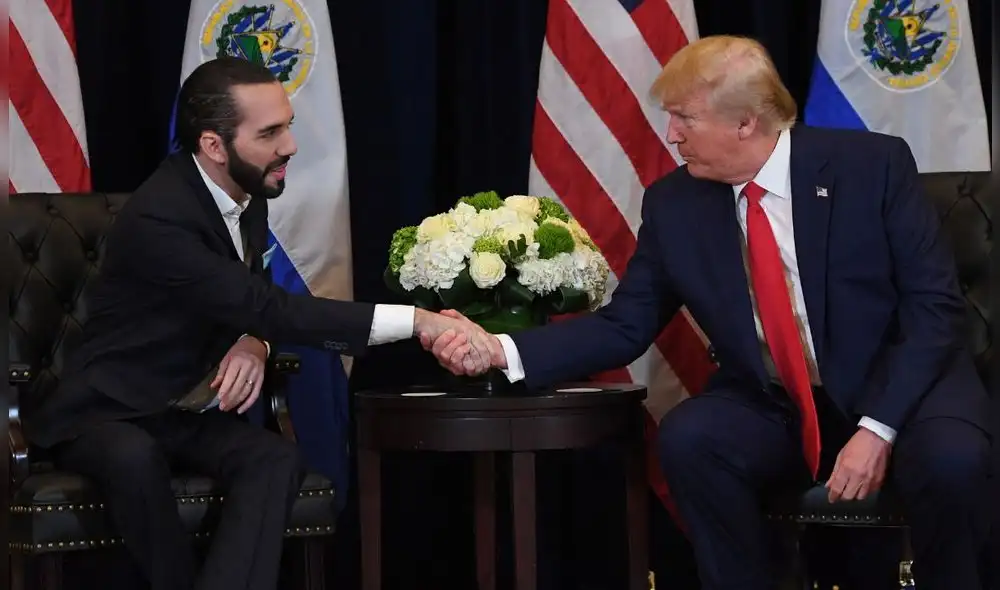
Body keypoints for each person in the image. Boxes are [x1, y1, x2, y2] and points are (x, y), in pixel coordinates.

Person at [425, 36, 992, 589]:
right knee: (692, 439)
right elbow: (627, 325)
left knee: (953, 462)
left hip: (903, 389)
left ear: (745, 122)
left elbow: (935, 308)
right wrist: (501, 348)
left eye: (684, 119)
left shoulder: (871, 166)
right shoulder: (676, 203)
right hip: (780, 402)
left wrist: (877, 428)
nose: (671, 135)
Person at [22, 57, 483, 590]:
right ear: (214, 145)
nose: (290, 145)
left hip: (179, 408)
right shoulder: (160, 217)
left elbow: (250, 307)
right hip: (105, 411)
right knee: (134, 459)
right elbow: (269, 304)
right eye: (270, 133)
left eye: (288, 125)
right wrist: (418, 321)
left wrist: (255, 342)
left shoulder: (243, 188)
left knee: (273, 460)